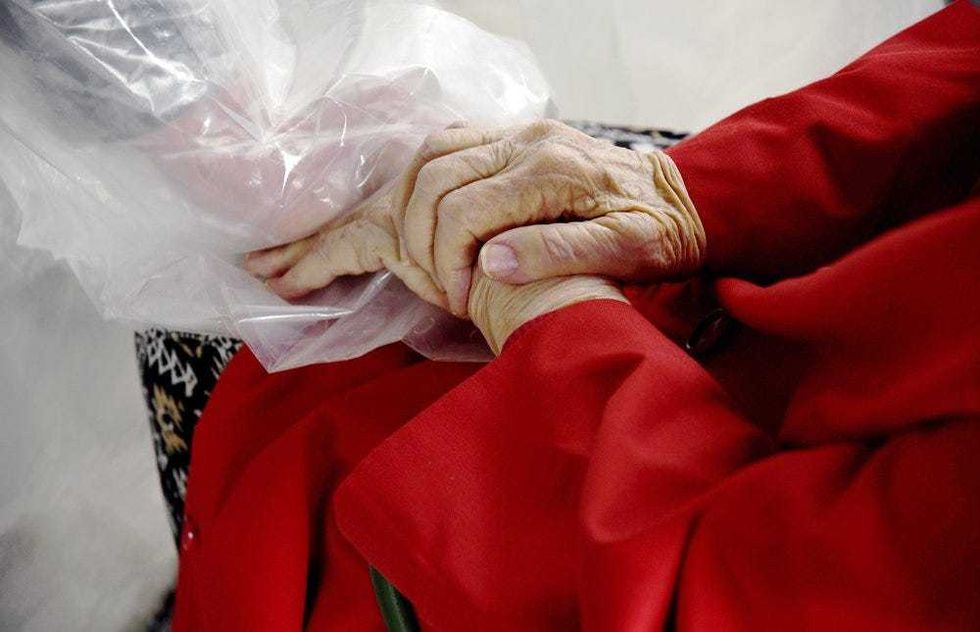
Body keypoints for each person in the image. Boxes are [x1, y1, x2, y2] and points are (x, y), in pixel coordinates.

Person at [174, 2, 980, 630]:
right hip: (741, 283)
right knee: (294, 233)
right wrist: (698, 192)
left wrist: (546, 310)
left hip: (605, 501)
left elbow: (752, 596)